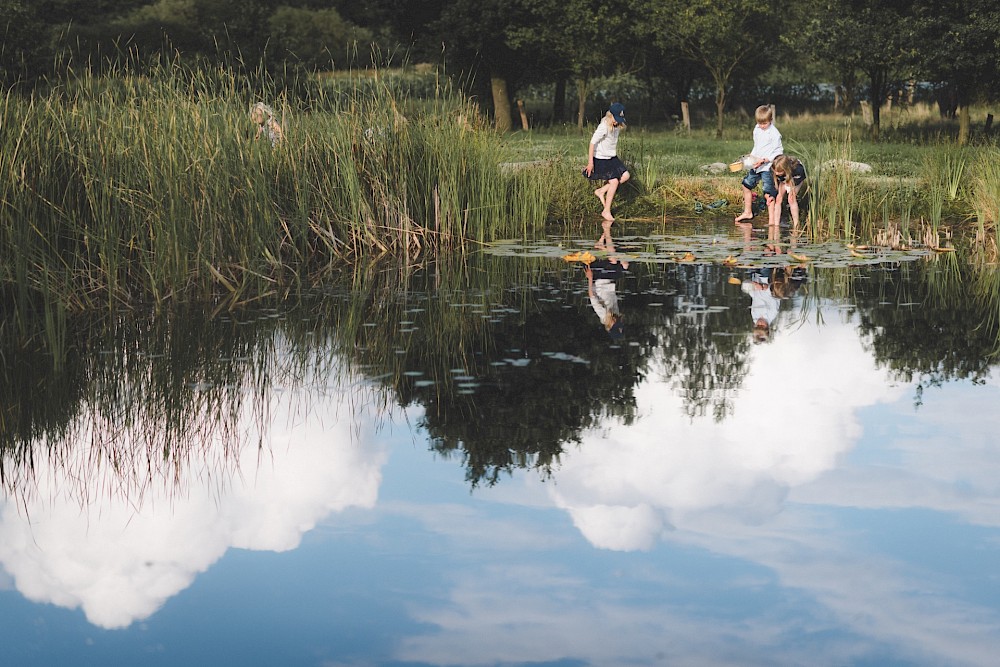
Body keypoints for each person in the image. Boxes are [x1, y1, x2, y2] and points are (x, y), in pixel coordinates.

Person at [734, 105, 783, 225]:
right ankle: (748, 212)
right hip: (757, 165)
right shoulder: (757, 129)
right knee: (746, 185)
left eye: (764, 123)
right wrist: (751, 158)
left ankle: (772, 221)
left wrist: (766, 159)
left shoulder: (774, 134)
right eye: (759, 123)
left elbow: (779, 151)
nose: (761, 126)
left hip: (767, 166)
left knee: (768, 193)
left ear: (770, 120)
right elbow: (757, 146)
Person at [583, 102, 630, 223]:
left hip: (611, 157)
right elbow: (592, 143)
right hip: (601, 158)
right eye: (616, 119)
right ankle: (606, 211)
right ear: (610, 116)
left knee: (626, 176)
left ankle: (601, 191)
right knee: (614, 182)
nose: (617, 122)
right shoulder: (604, 126)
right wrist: (590, 163)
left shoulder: (617, 125)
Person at [740, 270, 780, 343]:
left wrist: (751, 285)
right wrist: (762, 287)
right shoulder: (772, 313)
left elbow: (754, 297)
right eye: (762, 326)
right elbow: (775, 293)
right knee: (764, 269)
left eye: (757, 326)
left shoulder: (754, 316)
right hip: (767, 278)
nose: (759, 323)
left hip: (755, 278)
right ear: (767, 327)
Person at [771, 154, 807, 227]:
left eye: (779, 172)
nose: (776, 173)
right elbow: (775, 182)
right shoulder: (774, 169)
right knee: (778, 198)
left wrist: (790, 186)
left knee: (791, 199)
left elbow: (801, 178)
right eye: (775, 171)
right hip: (785, 178)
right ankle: (776, 224)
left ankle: (796, 224)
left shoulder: (798, 169)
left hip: (796, 179)